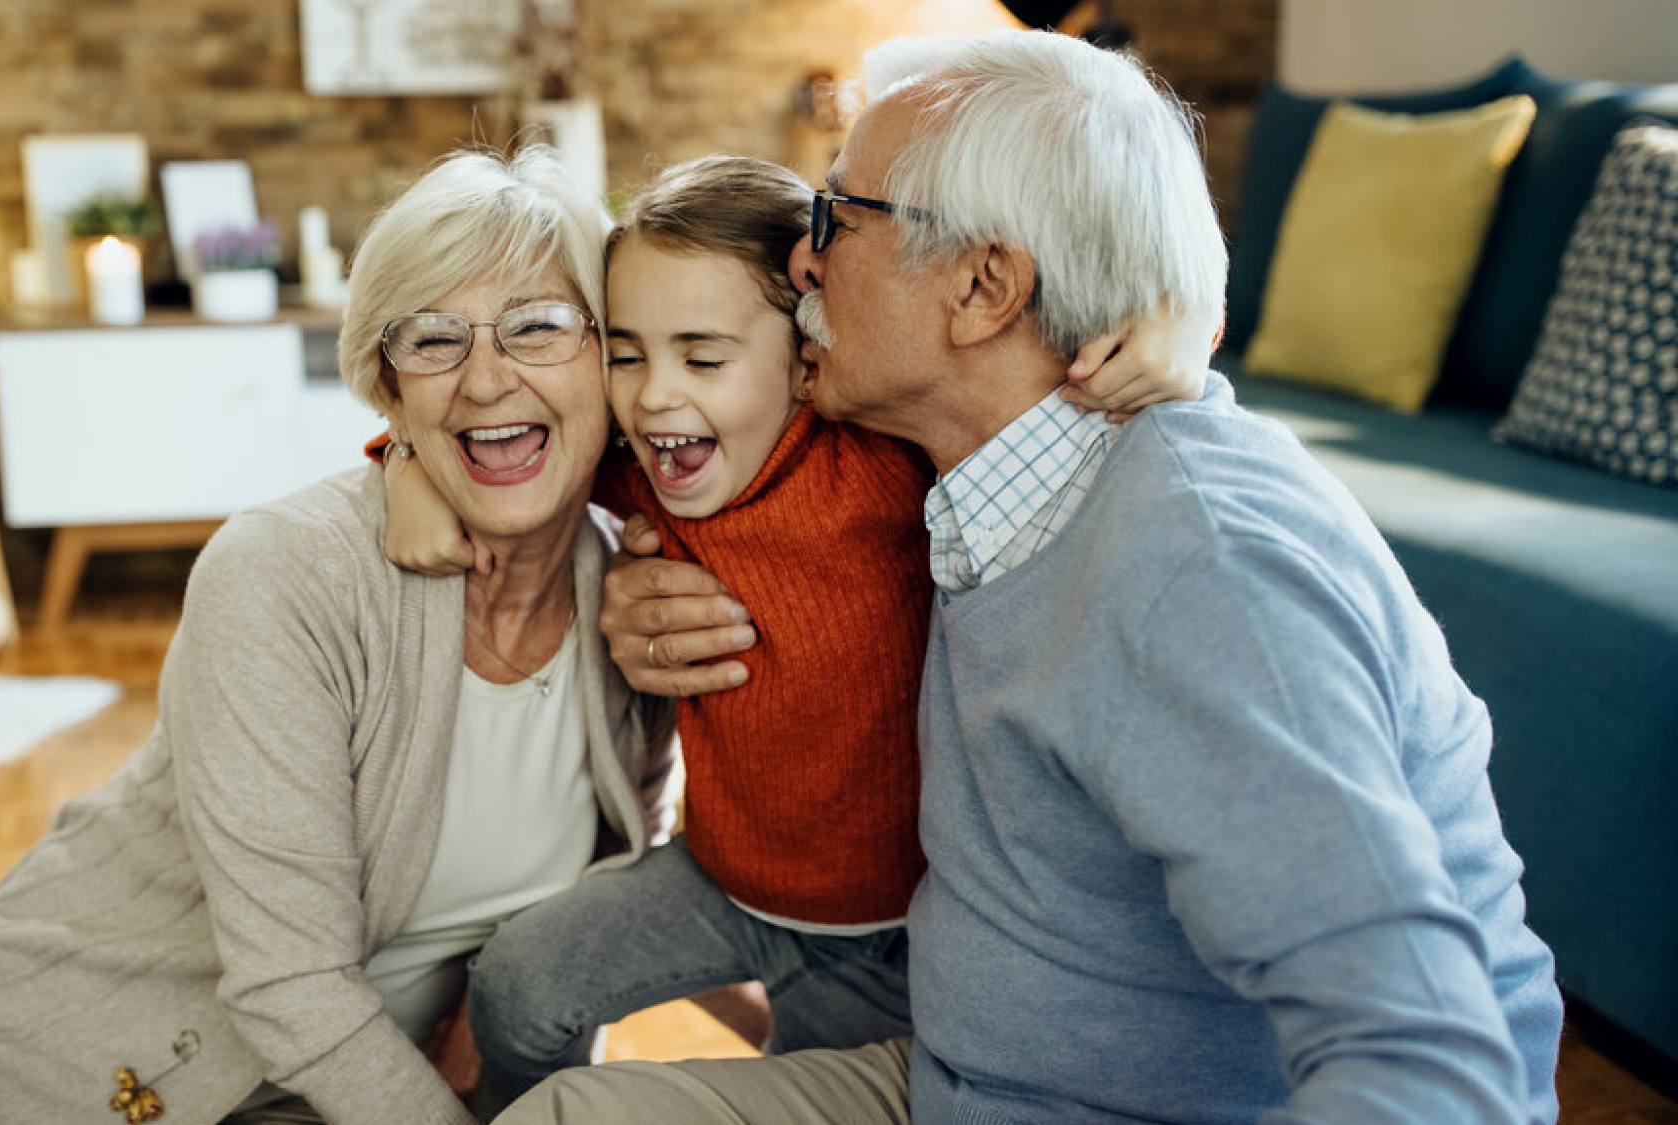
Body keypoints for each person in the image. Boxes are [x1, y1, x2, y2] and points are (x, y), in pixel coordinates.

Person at [505, 29, 1564, 1125]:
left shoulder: (1201, 575)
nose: (801, 263)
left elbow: (1439, 1076)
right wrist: (635, 585)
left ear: (983, 286)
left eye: (837, 219)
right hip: (955, 1077)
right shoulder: (963, 466)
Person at [0, 146, 678, 1125]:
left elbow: (609, 875)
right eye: (432, 340)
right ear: (389, 390)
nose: (485, 377)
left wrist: (493, 1002)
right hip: (85, 1065)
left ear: (610, 356)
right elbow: (291, 985)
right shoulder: (284, 572)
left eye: (537, 327)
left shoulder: (634, 597)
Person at [375, 152, 1215, 1102]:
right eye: (626, 352)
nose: (652, 397)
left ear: (809, 360)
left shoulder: (886, 463)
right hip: (719, 878)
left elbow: (1050, 387)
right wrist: (404, 460)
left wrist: (1181, 323)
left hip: (888, 925)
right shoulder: (650, 461)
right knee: (521, 987)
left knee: (809, 1087)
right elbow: (514, 443)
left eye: (703, 356)